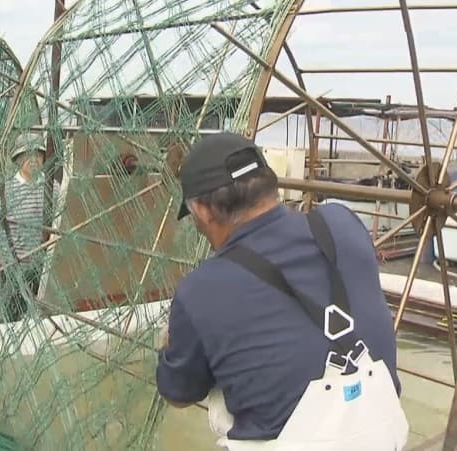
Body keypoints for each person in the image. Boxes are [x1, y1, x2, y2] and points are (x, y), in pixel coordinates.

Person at [156, 132, 409, 450]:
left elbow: (178, 394)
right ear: (269, 183)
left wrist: (170, 345)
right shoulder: (342, 224)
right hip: (383, 435)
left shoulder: (199, 291)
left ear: (203, 212)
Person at [0, 133, 49, 321]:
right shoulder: (4, 190)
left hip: (44, 268)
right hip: (12, 266)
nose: (33, 160)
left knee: (42, 318)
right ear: (18, 160)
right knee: (7, 319)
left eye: (38, 155)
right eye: (27, 155)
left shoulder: (51, 187)